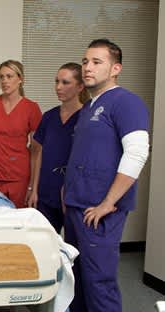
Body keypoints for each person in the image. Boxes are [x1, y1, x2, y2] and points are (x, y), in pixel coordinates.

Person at [63, 39, 150, 312]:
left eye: (96, 62)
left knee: (99, 281)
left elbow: (137, 154)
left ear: (115, 69)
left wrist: (108, 202)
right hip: (78, 204)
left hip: (100, 209)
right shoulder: (88, 107)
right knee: (75, 279)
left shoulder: (126, 102)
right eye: (85, 61)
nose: (87, 67)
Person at [26, 63, 89, 232]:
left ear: (80, 86)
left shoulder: (86, 118)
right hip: (45, 191)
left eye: (65, 82)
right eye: (56, 81)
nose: (58, 87)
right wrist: (33, 189)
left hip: (72, 194)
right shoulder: (49, 117)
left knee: (74, 247)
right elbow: (39, 153)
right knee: (43, 243)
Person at [0, 60, 42, 208]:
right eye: (1, 77)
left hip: (20, 177)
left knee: (17, 222)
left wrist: (32, 187)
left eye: (9, 76)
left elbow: (36, 150)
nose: (4, 81)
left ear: (20, 79)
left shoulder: (31, 108)